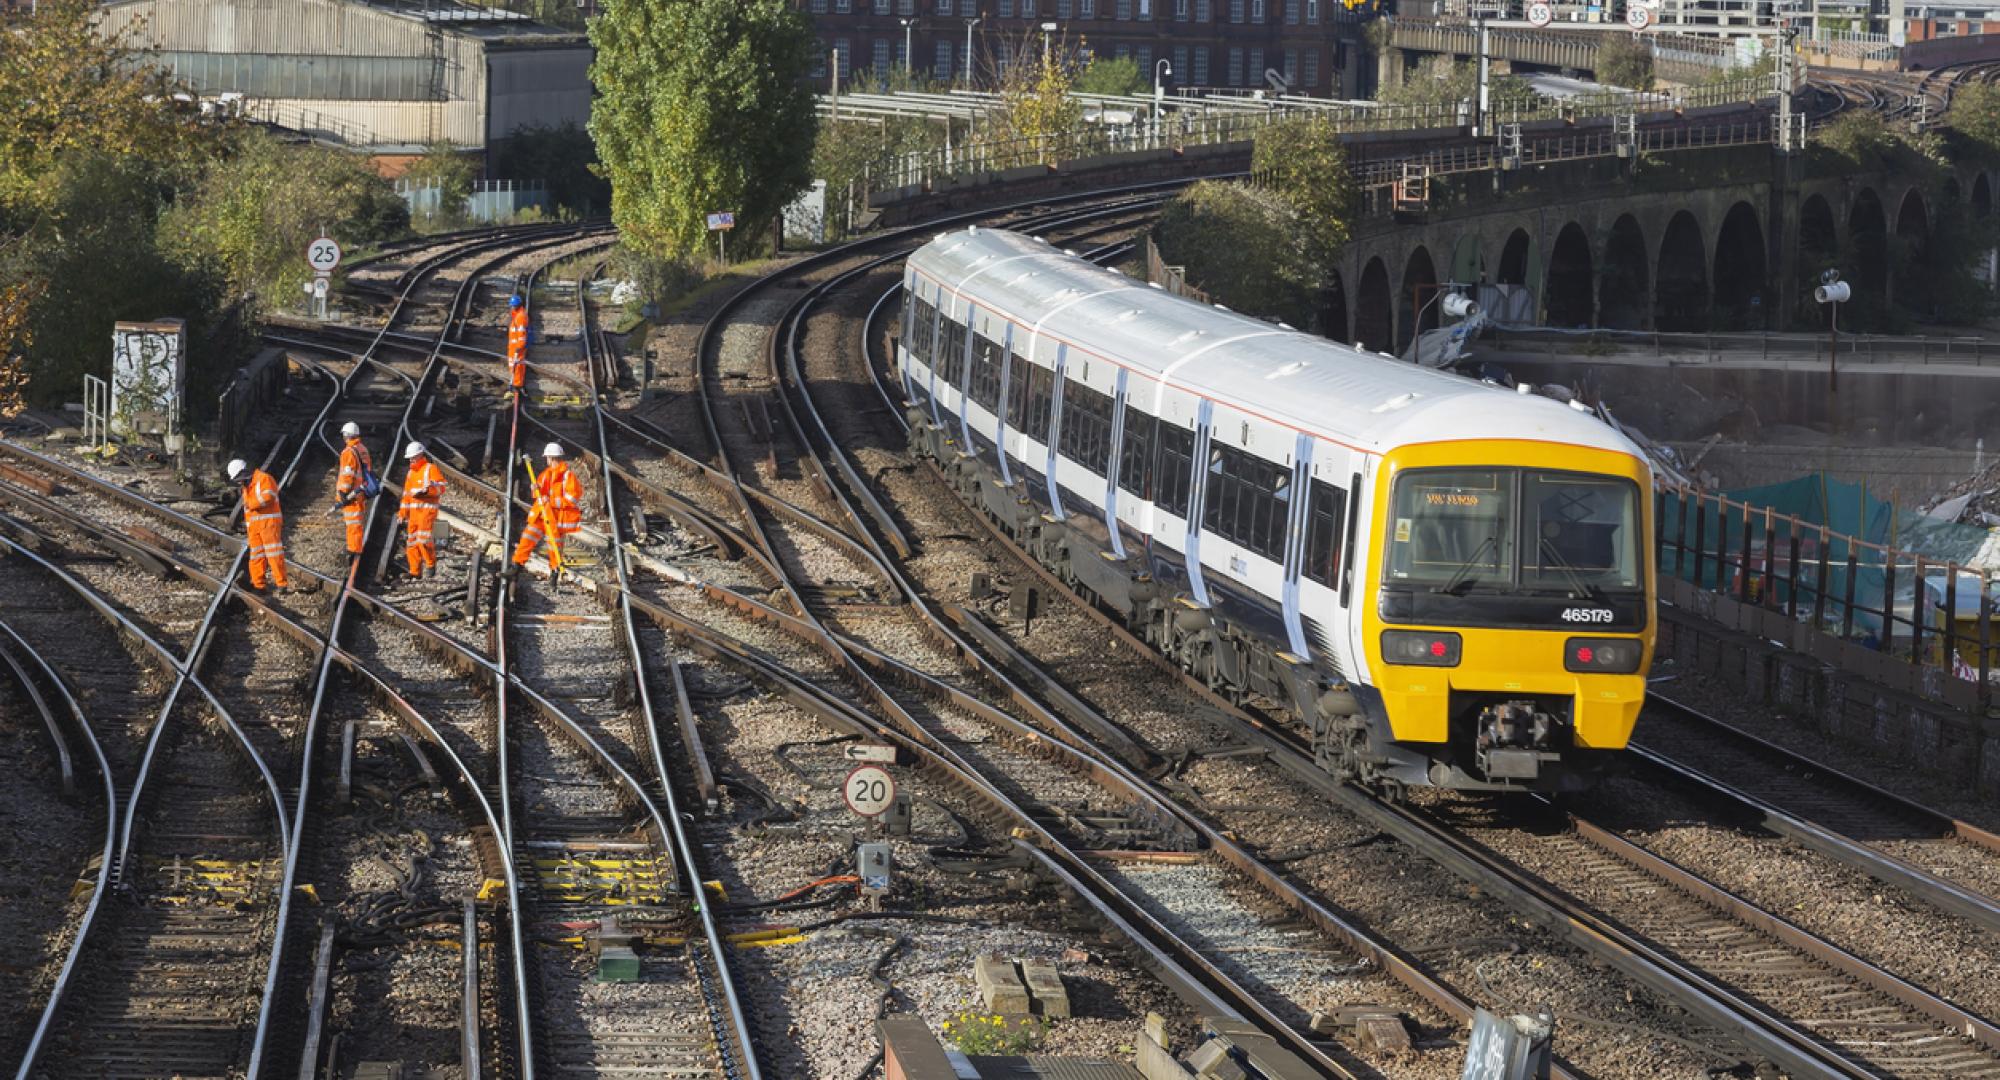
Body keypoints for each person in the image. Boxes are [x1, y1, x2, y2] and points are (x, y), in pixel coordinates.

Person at [505, 442, 581, 578]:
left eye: (547, 458)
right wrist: (535, 489)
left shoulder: (567, 476)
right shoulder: (546, 474)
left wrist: (551, 501)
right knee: (527, 538)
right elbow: (539, 493)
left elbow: (572, 498)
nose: (546, 460)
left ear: (551, 458)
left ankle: (555, 573)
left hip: (556, 517)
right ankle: (516, 566)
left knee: (554, 548)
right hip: (541, 514)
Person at [230, 458, 289, 593]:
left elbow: (269, 496)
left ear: (243, 472)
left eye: (238, 478)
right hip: (255, 527)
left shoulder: (264, 479)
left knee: (274, 554)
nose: (238, 482)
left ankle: (281, 583)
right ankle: (258, 585)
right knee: (256, 556)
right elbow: (248, 511)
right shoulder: (247, 487)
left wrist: (252, 504)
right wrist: (249, 527)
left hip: (269, 524)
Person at [397, 441, 447, 580]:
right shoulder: (411, 473)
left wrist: (427, 492)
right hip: (414, 514)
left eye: (413, 457)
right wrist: (402, 513)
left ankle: (430, 564)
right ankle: (414, 571)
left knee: (423, 540)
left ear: (421, 455)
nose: (411, 460)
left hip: (427, 511)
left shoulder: (430, 469)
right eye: (410, 458)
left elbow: (441, 488)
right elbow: (406, 495)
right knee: (412, 542)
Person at [333, 421, 372, 557]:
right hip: (361, 491)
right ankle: (355, 547)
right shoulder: (363, 449)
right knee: (357, 522)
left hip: (352, 494)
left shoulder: (348, 452)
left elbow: (347, 474)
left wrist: (344, 491)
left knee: (352, 523)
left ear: (346, 436)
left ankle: (354, 550)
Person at [507, 293, 529, 393]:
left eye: (513, 306)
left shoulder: (520, 317)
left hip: (517, 346)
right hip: (514, 345)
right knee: (515, 364)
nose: (511, 308)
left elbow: (521, 333)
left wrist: (519, 346)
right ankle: (517, 383)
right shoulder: (518, 315)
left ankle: (517, 385)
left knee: (517, 365)